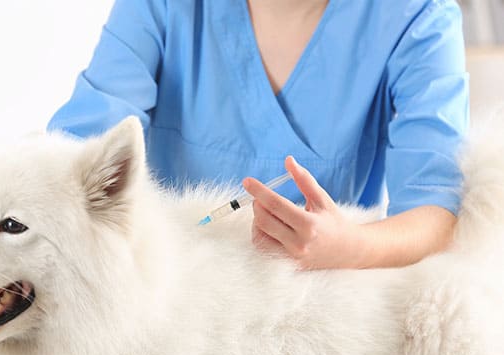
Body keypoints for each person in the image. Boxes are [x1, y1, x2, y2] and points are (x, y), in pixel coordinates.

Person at [47, 0, 469, 270]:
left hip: (317, 312)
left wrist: (349, 245)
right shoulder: (160, 8)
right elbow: (73, 158)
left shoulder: (417, 18)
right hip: (171, 295)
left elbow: (434, 216)